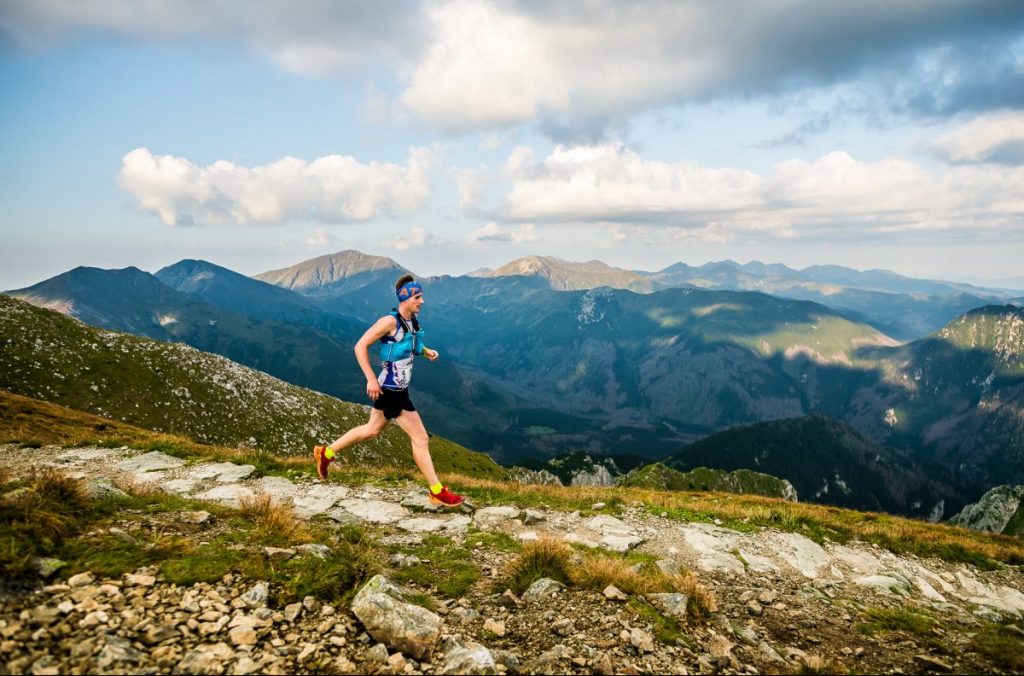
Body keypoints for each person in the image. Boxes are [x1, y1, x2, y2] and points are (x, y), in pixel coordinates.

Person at [313, 274, 464, 506]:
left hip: (397, 389)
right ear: (405, 299)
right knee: (421, 438)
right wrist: (371, 379)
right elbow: (360, 345)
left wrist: (426, 351)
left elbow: (412, 344)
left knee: (372, 430)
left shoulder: (412, 321)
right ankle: (436, 490)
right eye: (418, 297)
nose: (422, 301)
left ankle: (326, 453)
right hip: (390, 389)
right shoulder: (389, 322)